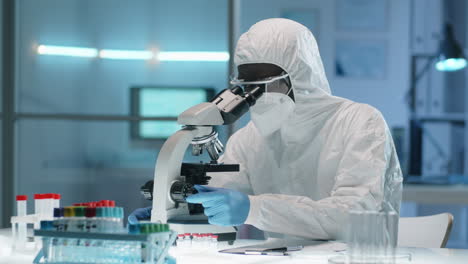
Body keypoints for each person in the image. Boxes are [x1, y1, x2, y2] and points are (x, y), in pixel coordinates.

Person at [129, 18, 403, 241]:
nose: (255, 95)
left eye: (265, 83)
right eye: (248, 85)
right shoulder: (250, 139)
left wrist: (254, 208)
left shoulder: (360, 122)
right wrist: (173, 213)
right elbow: (218, 200)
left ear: (300, 76)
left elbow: (352, 217)